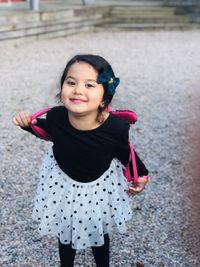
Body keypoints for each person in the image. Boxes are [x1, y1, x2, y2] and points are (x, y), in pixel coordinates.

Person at [12, 54, 149, 267]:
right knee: (65, 227)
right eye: (71, 82)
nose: (78, 90)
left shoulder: (115, 128)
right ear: (61, 89)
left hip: (98, 185)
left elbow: (125, 152)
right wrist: (26, 123)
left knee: (99, 230)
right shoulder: (56, 116)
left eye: (89, 85)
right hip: (63, 182)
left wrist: (140, 174)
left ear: (104, 98)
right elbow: (46, 131)